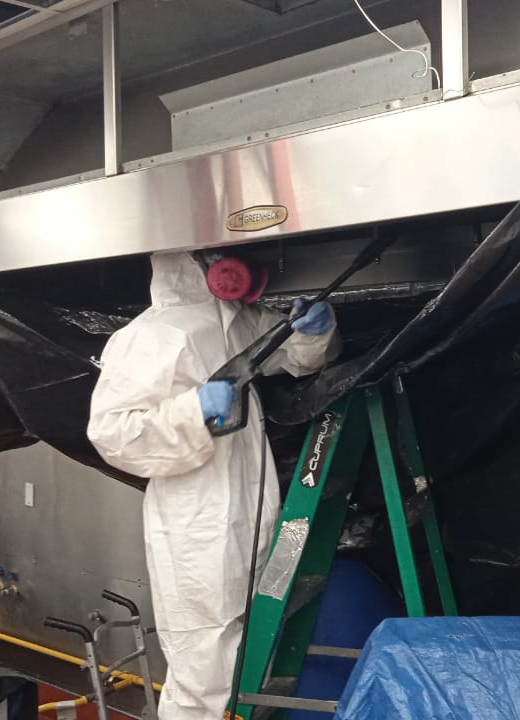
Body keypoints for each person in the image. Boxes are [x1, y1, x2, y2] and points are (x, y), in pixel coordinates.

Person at [88, 250, 340, 720]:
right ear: (187, 260)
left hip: (252, 508)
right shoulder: (145, 336)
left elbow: (300, 359)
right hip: (195, 527)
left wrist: (313, 329)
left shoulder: (236, 320)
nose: (226, 262)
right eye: (213, 254)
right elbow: (113, 435)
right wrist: (192, 410)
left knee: (254, 652)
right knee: (201, 673)